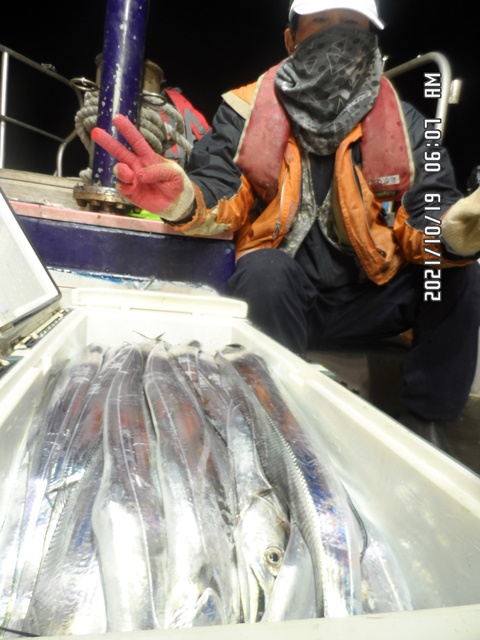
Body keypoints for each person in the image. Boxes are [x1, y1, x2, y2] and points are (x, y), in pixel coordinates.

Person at [91, 0, 480, 451]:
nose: (337, 36)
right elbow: (219, 185)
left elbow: (429, 203)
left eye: (351, 25)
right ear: (291, 39)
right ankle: (276, 420)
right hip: (280, 302)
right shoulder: (242, 111)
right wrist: (183, 200)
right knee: (264, 269)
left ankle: (427, 427)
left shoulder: (411, 124)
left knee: (459, 274)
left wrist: (453, 232)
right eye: (322, 23)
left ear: (372, 39)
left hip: (371, 297)